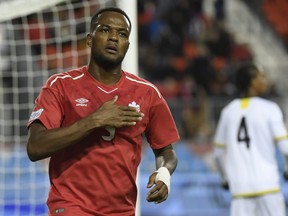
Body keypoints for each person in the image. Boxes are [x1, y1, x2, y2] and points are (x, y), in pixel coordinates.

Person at [26, 7, 179, 216]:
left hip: (122, 210)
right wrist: (94, 120)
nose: (114, 38)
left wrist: (164, 173)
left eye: (122, 34)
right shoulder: (60, 86)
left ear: (128, 45)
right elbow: (35, 147)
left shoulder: (147, 93)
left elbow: (165, 150)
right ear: (89, 39)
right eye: (105, 30)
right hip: (71, 206)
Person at [213, 62, 288, 216]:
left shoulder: (228, 112)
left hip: (240, 189)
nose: (265, 80)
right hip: (268, 187)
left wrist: (224, 179)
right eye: (262, 76)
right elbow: (286, 148)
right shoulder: (270, 109)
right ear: (253, 82)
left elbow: (218, 154)